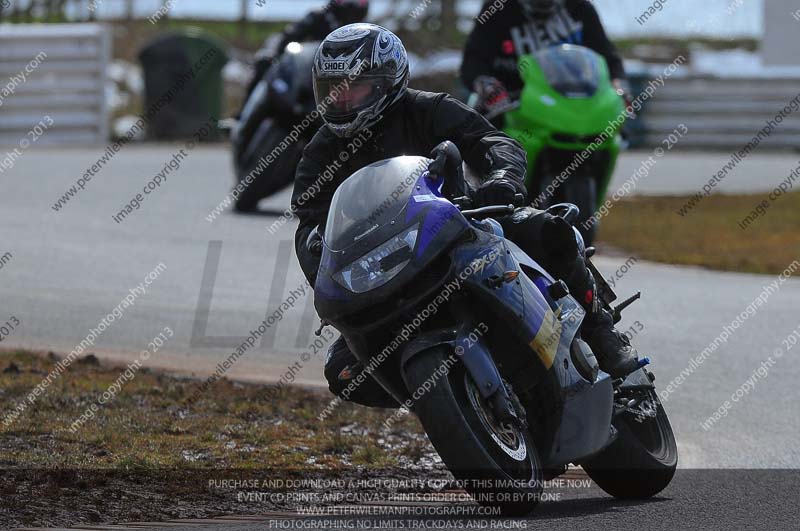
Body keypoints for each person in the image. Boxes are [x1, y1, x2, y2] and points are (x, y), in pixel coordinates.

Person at [292, 23, 639, 407]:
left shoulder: (428, 108)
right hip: (390, 267)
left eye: (353, 87)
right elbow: (311, 222)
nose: (341, 100)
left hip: (468, 223)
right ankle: (452, 405)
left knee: (549, 230)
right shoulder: (321, 152)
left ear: (387, 80)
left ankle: (601, 331)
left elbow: (492, 140)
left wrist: (502, 175)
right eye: (332, 89)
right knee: (345, 371)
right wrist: (324, 270)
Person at [461, 0, 628, 115]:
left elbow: (608, 57)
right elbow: (473, 61)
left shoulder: (580, 8)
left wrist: (619, 85)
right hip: (513, 106)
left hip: (572, 103)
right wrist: (487, 84)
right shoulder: (497, 10)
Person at [243, 0, 370, 99]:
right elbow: (288, 37)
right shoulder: (317, 17)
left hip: (341, 81)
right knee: (264, 64)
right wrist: (275, 54)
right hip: (305, 74)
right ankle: (240, 118)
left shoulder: (367, 29)